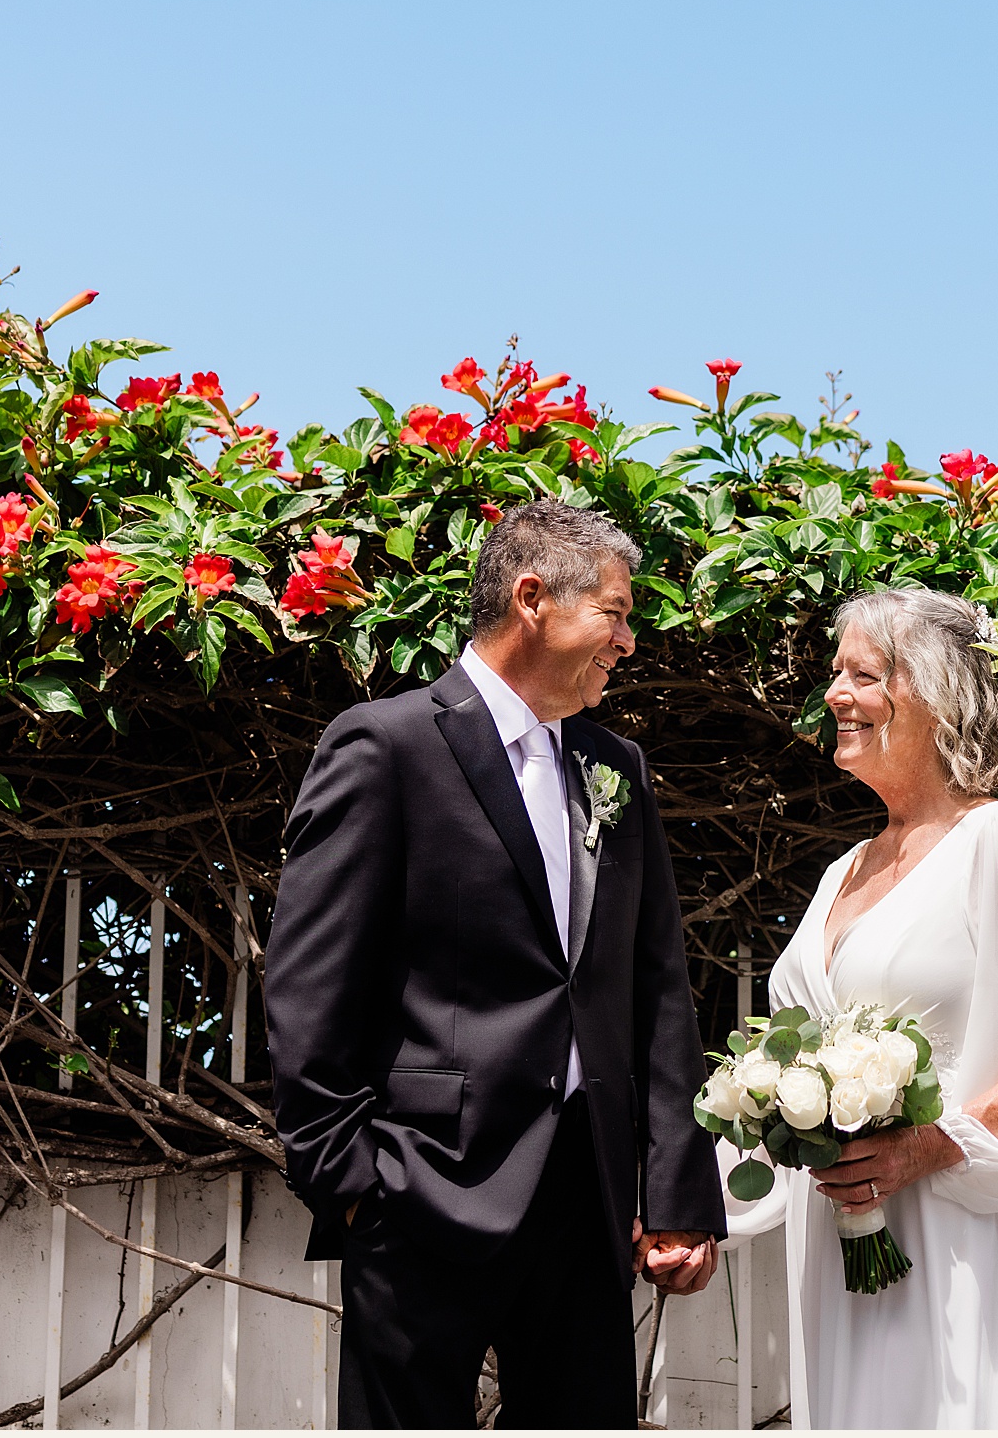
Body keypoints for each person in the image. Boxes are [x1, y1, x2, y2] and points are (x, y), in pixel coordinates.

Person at [264, 499, 724, 1429]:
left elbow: (656, 986)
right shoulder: (386, 744)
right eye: (616, 611)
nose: (628, 640)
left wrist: (676, 1192)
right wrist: (353, 1185)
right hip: (418, 1189)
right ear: (532, 600)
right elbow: (308, 983)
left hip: (585, 1207)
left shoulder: (615, 766)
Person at [723, 585, 998, 1428]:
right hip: (834, 1247)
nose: (835, 693)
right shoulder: (841, 872)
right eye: (836, 672)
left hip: (953, 1235)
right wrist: (683, 1211)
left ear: (935, 694)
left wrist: (933, 1143)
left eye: (863, 674)